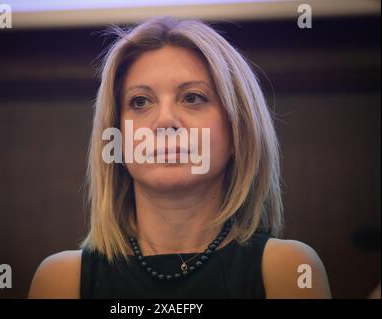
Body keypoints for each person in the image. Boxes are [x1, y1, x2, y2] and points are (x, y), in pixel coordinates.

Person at [29, 16, 331, 299]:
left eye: (192, 97)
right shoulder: (61, 279)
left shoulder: (288, 270)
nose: (164, 122)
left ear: (238, 133)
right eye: (140, 101)